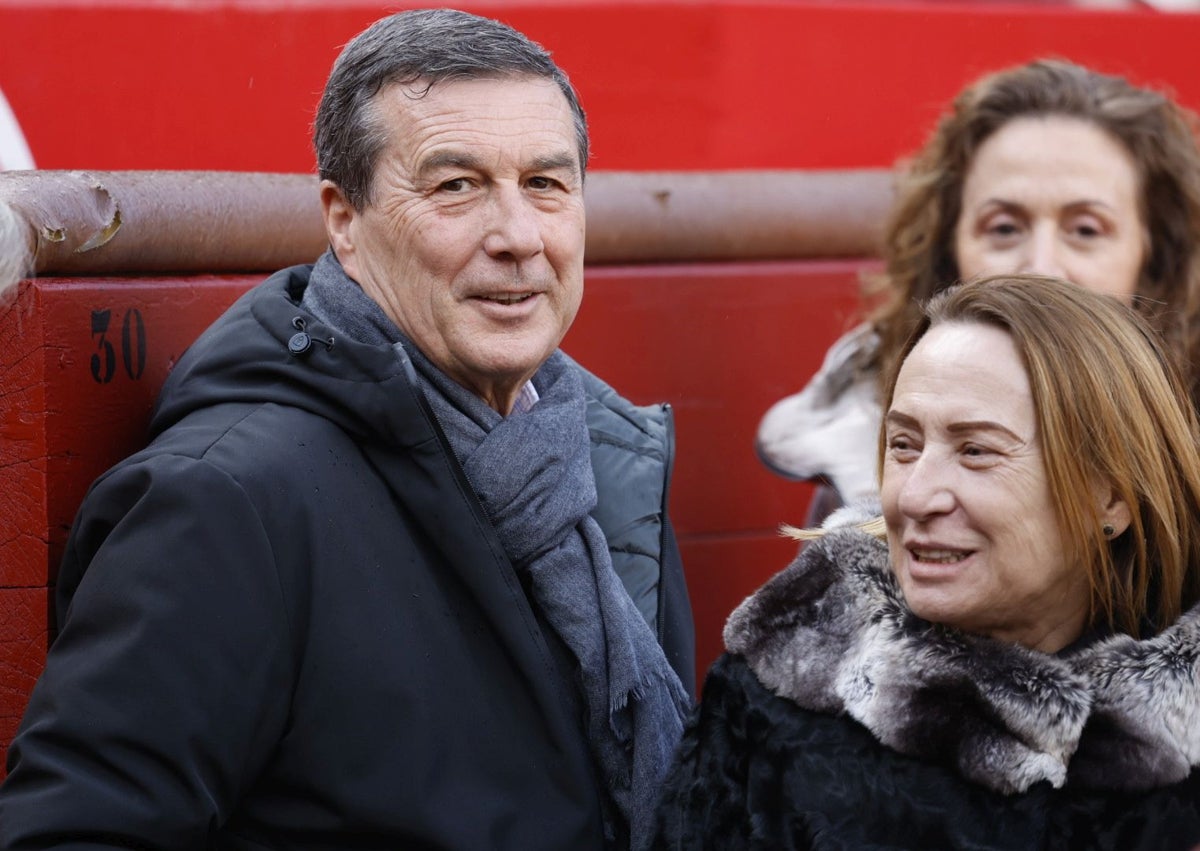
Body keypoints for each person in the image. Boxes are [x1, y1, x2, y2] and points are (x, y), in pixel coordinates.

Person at [0, 9, 694, 850]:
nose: (518, 237)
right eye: (455, 186)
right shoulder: (226, 502)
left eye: (546, 184)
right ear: (342, 220)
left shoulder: (602, 460)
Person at [653, 273, 1200, 849]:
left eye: (976, 451)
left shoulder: (1178, 747)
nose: (913, 496)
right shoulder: (779, 700)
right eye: (904, 445)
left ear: (1109, 498)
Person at [756, 59, 1200, 522]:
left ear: (1153, 258)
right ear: (949, 255)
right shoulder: (857, 457)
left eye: (1086, 230)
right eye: (1004, 227)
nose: (1041, 267)